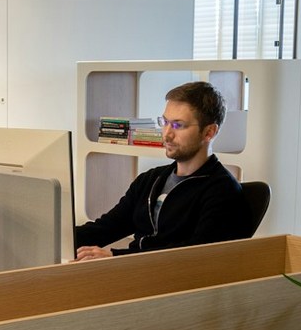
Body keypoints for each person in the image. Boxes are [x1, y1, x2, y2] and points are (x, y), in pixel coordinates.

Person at [73, 81, 247, 259]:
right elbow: (107, 228)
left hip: (167, 274)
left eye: (178, 125)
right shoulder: (150, 179)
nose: (167, 134)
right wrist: (59, 237)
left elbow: (194, 255)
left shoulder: (223, 191)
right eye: (164, 122)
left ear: (209, 132)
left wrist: (117, 257)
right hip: (133, 269)